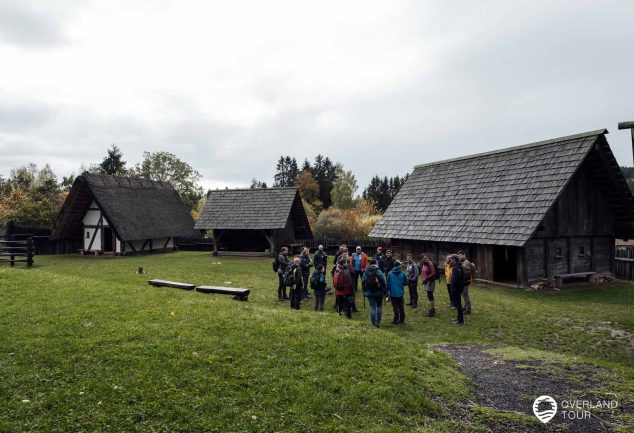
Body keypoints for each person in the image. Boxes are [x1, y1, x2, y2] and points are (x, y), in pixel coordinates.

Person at [362, 259, 387, 327]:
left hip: (369, 291)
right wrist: (385, 288)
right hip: (379, 291)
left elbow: (363, 281)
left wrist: (364, 290)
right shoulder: (378, 271)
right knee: (379, 306)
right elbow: (382, 280)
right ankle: (377, 322)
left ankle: (373, 323)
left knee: (372, 307)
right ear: (376, 263)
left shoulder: (366, 271)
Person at [350, 246, 368, 312]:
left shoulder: (364, 255)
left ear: (361, 250)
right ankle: (355, 289)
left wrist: (365, 268)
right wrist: (352, 268)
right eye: (357, 249)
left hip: (362, 269)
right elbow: (351, 262)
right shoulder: (353, 255)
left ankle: (364, 288)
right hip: (355, 270)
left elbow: (366, 261)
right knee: (355, 280)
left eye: (359, 249)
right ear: (356, 250)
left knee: (363, 280)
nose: (358, 250)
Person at [450, 255, 465, 325]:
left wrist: (452, 287)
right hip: (460, 287)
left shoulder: (455, 267)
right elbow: (463, 276)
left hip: (456, 288)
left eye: (451, 259)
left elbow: (454, 279)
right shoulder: (460, 266)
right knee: (458, 303)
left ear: (454, 259)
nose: (450, 260)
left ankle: (460, 320)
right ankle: (459, 317)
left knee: (458, 304)